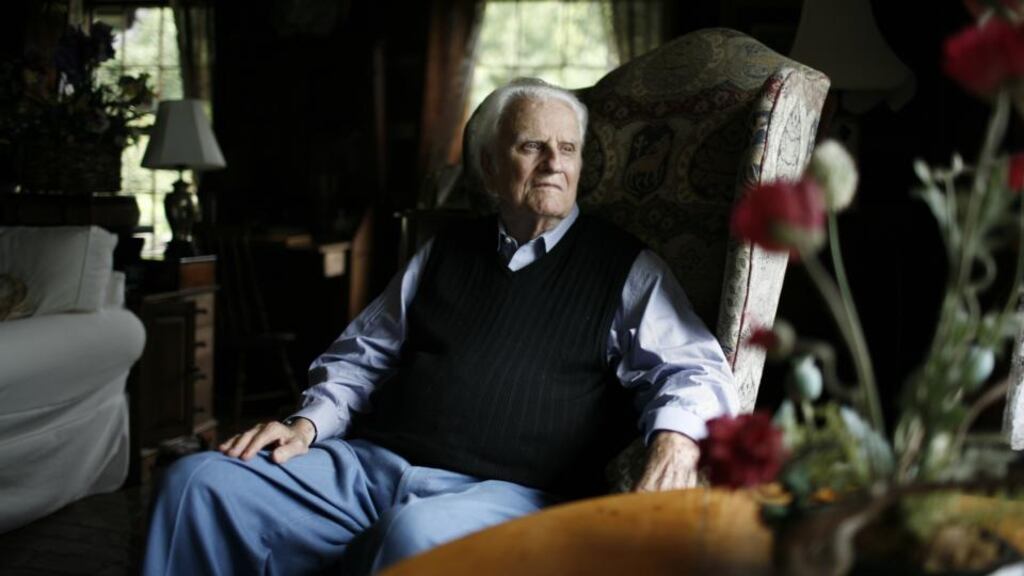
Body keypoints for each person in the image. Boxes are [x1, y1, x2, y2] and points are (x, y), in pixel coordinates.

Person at [142, 78, 739, 575]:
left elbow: (694, 366)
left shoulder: (625, 267)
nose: (555, 163)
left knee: (416, 536)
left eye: (569, 148)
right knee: (197, 483)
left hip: (507, 494)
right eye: (533, 146)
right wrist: (306, 424)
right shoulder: (443, 250)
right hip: (368, 467)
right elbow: (362, 355)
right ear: (488, 164)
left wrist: (678, 437)